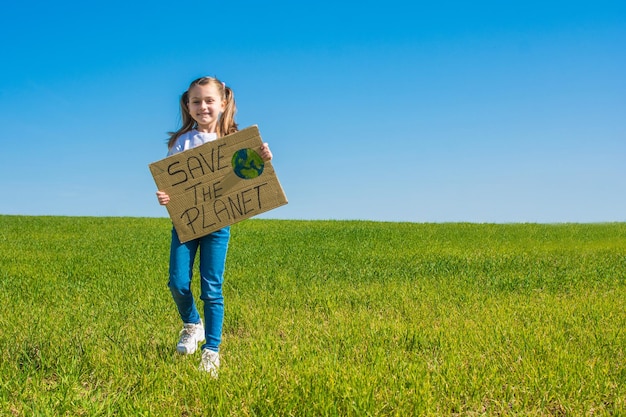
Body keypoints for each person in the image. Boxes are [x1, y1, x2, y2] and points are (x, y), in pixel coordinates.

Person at [156, 76, 272, 377]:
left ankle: (212, 351)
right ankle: (193, 324)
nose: (202, 106)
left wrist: (263, 159)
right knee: (177, 282)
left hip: (219, 223)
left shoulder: (234, 141)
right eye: (196, 101)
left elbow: (249, 176)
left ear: (223, 103)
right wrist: (166, 195)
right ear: (188, 105)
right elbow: (173, 183)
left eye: (209, 100)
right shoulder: (182, 142)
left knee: (212, 287)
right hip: (186, 223)